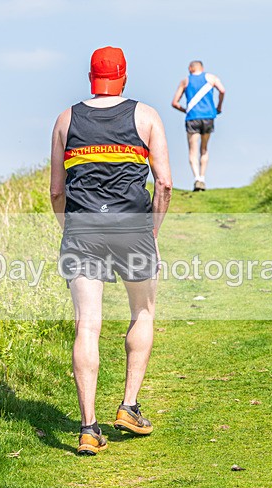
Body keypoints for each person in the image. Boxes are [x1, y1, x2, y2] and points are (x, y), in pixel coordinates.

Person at [50, 46, 173, 455]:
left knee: (87, 324)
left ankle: (88, 428)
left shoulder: (67, 119)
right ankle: (129, 406)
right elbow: (165, 184)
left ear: (90, 76)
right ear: (124, 75)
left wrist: (70, 229)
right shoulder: (147, 116)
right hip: (133, 229)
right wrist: (152, 229)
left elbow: (56, 191)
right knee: (143, 312)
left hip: (83, 229)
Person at [171, 60, 226, 191]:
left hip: (193, 118)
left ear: (190, 68)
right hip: (208, 116)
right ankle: (202, 177)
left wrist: (186, 110)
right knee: (204, 149)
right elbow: (222, 91)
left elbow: (174, 103)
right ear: (202, 68)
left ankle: (196, 178)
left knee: (192, 150)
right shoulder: (211, 78)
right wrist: (218, 107)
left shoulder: (185, 81)